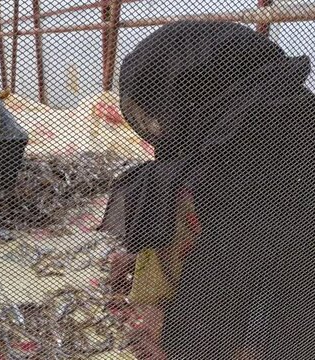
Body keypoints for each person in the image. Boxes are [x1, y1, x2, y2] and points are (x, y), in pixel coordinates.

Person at [99, 21, 315, 360]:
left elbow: (235, 272)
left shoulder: (243, 166)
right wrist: (141, 257)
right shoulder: (283, 112)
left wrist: (173, 340)